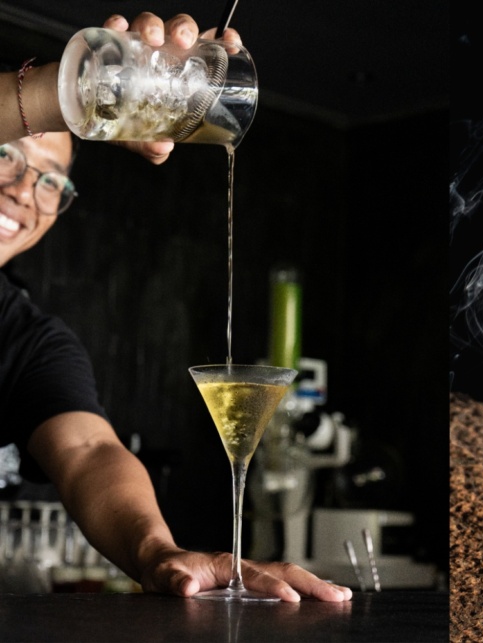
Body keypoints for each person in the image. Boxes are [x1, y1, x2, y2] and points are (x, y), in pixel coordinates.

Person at [0, 12, 351, 603]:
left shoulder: (30, 339)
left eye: (51, 182)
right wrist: (82, 87)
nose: (22, 194)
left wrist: (158, 555)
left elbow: (91, 453)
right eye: (6, 157)